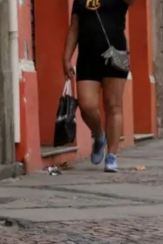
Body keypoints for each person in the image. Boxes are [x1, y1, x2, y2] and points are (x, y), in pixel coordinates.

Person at [64, 0, 137, 173]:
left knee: (113, 106)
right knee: (86, 105)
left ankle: (111, 156)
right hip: (87, 57)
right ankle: (99, 136)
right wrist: (66, 57)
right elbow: (74, 27)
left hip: (116, 54)